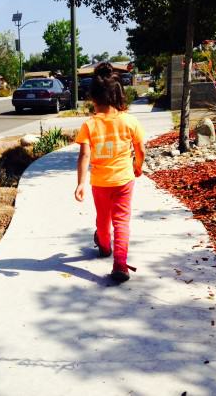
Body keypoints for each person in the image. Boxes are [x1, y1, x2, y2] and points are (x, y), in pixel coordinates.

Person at [74, 62, 146, 282]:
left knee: (103, 220)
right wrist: (138, 166)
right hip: (124, 180)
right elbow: (140, 149)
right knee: (121, 222)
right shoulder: (130, 121)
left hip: (100, 183)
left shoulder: (89, 125)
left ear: (93, 99)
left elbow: (84, 156)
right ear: (118, 95)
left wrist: (80, 184)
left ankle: (104, 246)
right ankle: (120, 265)